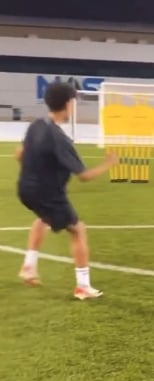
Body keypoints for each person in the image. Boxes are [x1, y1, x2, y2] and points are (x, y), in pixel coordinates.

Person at [17, 82, 119, 300]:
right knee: (78, 230)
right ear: (69, 104)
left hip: (25, 188)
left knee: (43, 218)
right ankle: (83, 286)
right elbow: (83, 175)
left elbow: (20, 154)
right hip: (48, 194)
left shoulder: (36, 125)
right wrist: (109, 164)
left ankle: (29, 266)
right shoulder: (60, 139)